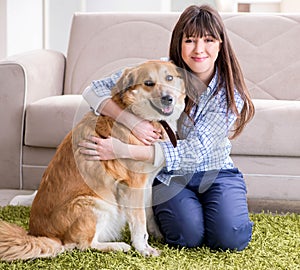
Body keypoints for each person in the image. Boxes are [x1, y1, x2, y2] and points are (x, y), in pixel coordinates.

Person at [79, 5, 255, 251]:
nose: (199, 49)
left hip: (215, 171)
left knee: (230, 238)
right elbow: (93, 90)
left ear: (220, 44)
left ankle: (222, 211)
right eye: (190, 40)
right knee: (187, 236)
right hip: (170, 175)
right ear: (178, 42)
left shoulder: (228, 94)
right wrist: (133, 122)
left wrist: (121, 150)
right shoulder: (158, 70)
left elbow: (194, 152)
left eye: (208, 40)